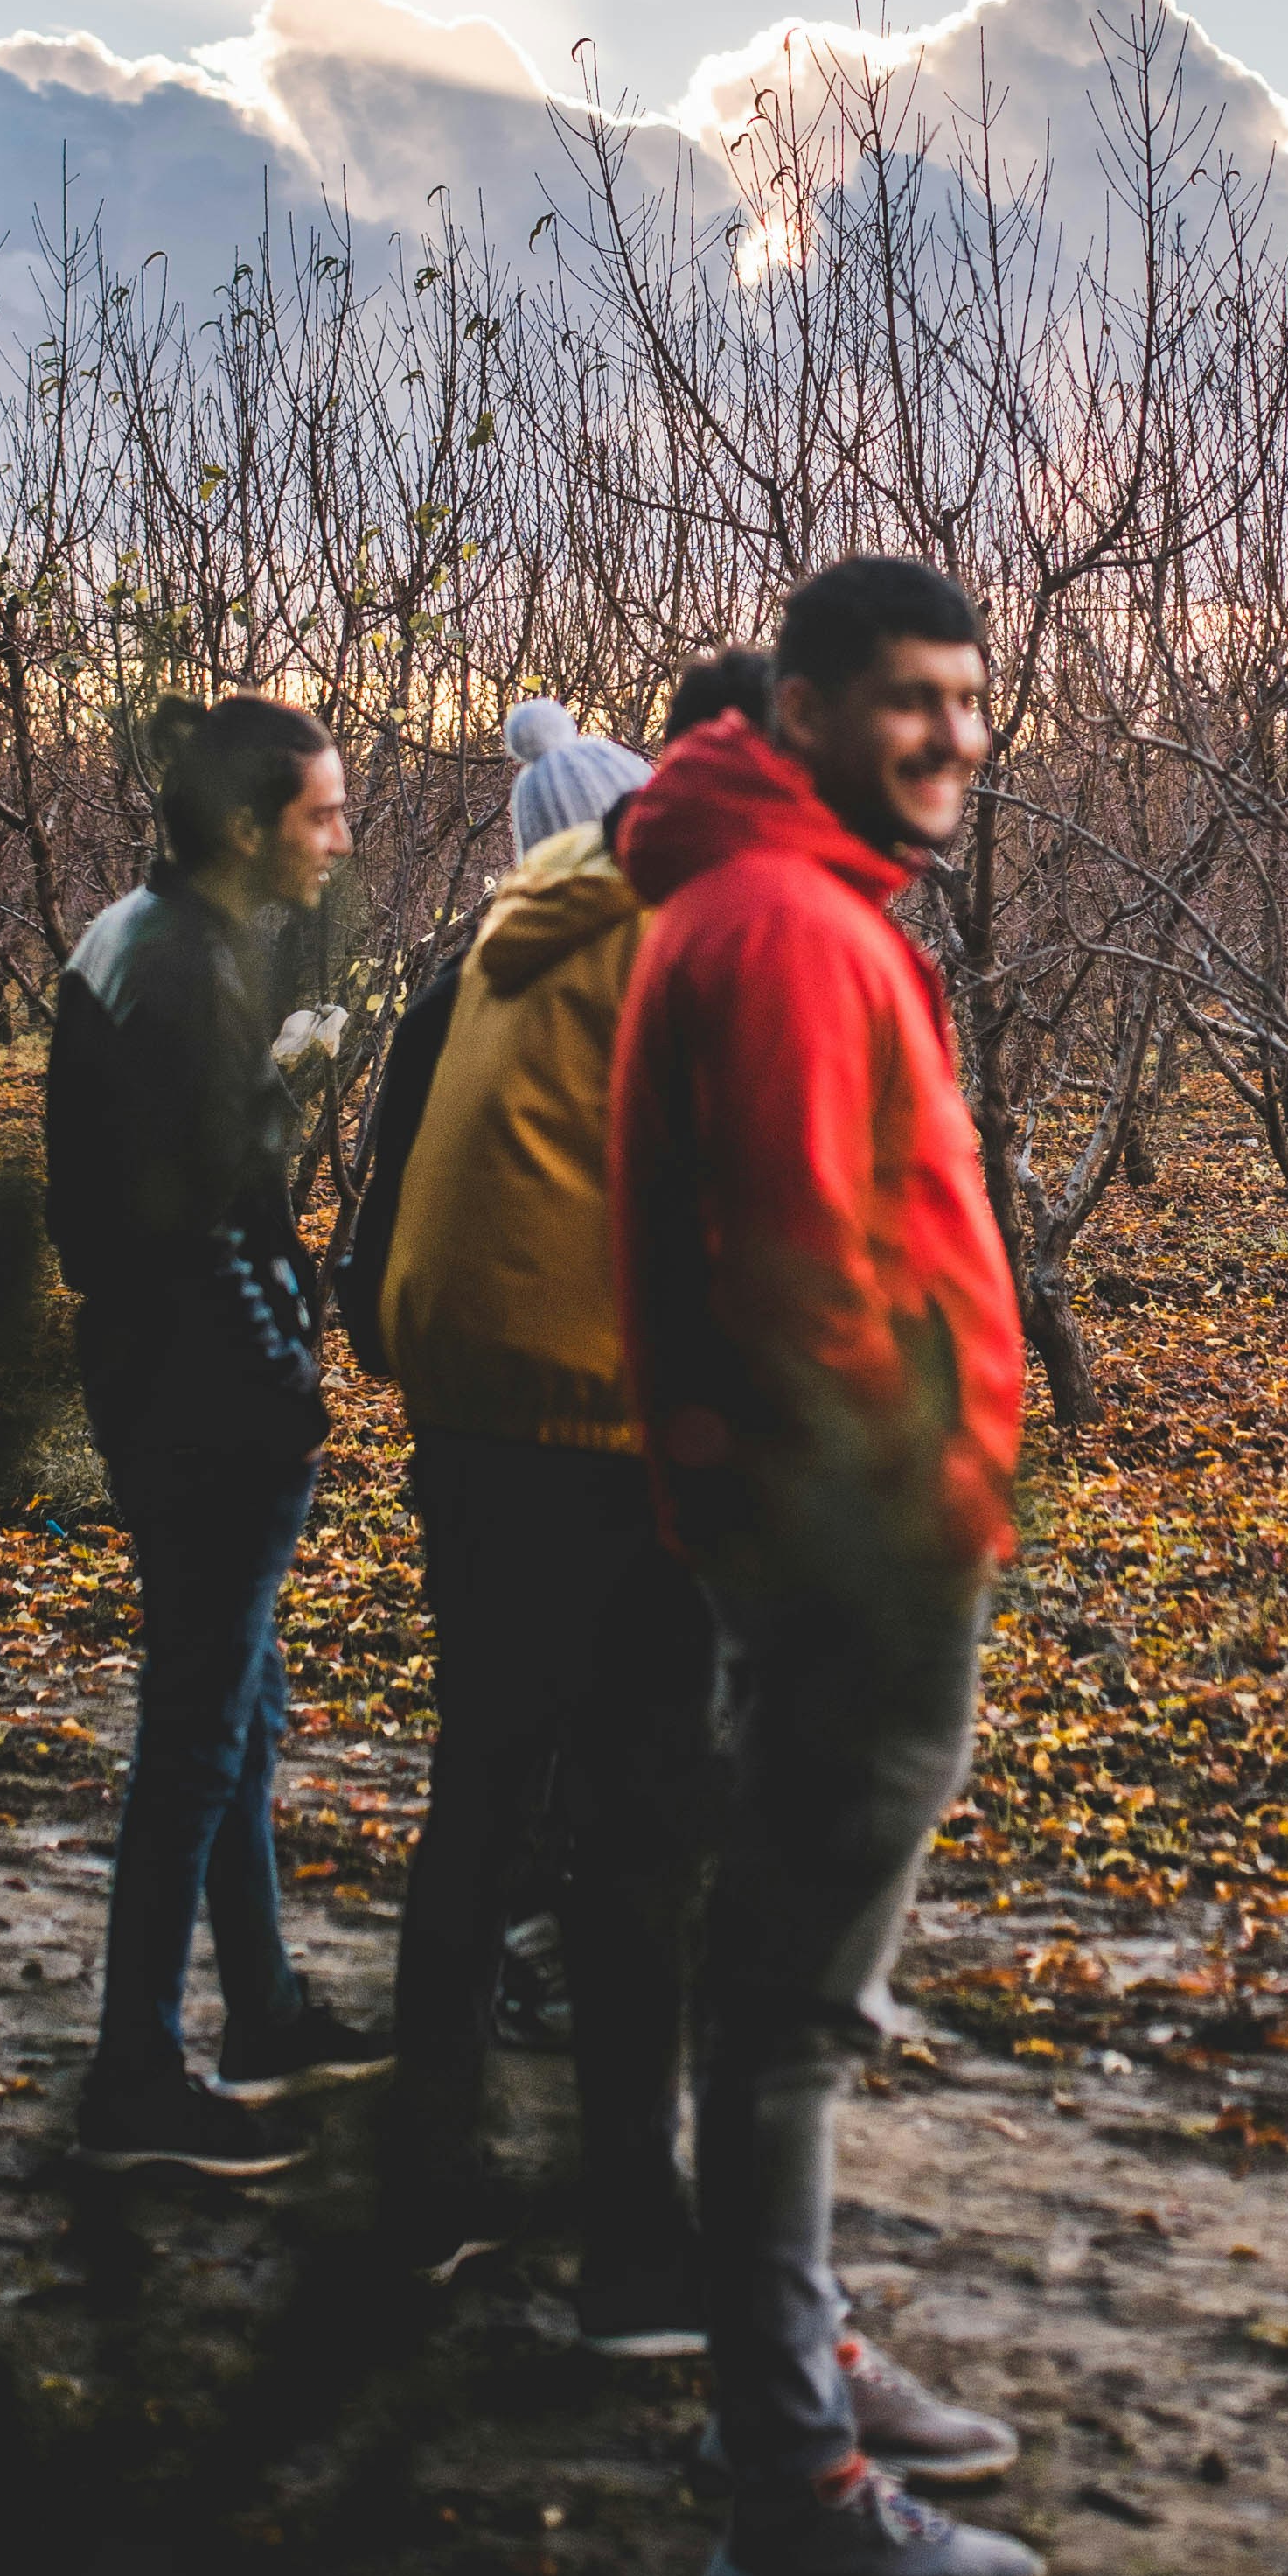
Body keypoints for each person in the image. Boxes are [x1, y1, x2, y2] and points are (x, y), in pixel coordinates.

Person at [609, 559, 1044, 2576]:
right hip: (856, 1548)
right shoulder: (784, 923)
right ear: (795, 708)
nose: (954, 734)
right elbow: (797, 1275)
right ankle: (791, 2474)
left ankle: (782, 2361)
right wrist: (901, 1511)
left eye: (971, 697)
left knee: (786, 1994)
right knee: (791, 2010)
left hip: (829, 1534)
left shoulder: (789, 894)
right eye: (907, 699)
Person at [377, 666, 760, 2331]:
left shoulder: (506, 935)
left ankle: (422, 2190)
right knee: (638, 1842)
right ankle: (637, 2242)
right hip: (604, 1433)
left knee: (480, 1792)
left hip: (470, 1418)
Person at [45, 690, 384, 2176]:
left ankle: (261, 2009)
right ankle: (136, 2073)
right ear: (247, 825)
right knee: (197, 1738)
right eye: (320, 811)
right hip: (208, 1408)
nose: (340, 838)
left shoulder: (133, 939)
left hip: (152, 1384)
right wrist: (287, 1390)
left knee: (238, 1718)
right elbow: (206, 1235)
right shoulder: (189, 974)